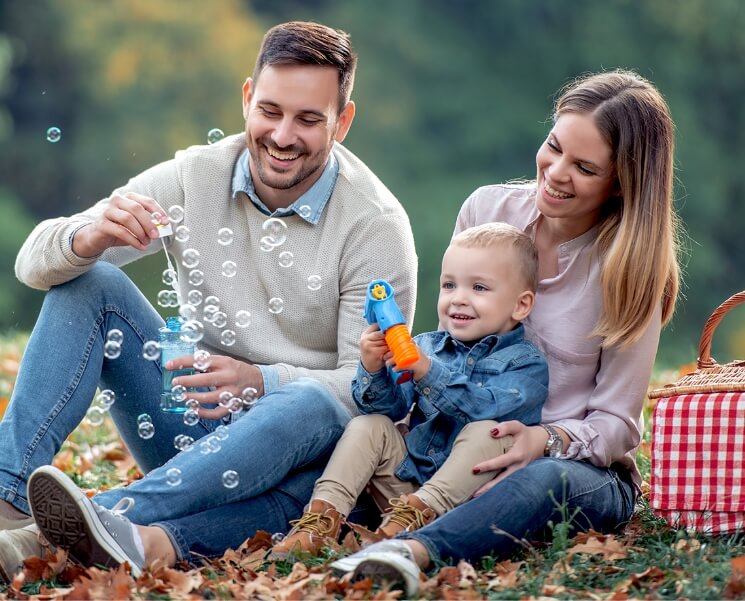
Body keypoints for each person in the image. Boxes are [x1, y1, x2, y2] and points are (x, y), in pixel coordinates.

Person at [0, 21, 417, 582]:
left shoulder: (376, 227)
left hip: (300, 465)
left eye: (309, 119)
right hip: (190, 432)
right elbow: (32, 265)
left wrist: (264, 381)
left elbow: (373, 393)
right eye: (270, 110)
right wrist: (90, 234)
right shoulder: (195, 176)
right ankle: (8, 497)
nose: (283, 134)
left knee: (313, 404)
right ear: (247, 97)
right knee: (89, 282)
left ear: (343, 121)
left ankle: (90, 524)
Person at [330, 68, 681, 597]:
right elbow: (453, 339)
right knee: (357, 435)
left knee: (537, 481)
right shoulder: (486, 211)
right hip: (460, 444)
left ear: (622, 183)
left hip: (574, 466)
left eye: (585, 167)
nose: (556, 173)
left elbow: (618, 426)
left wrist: (545, 439)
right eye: (554, 147)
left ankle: (407, 551)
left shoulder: (630, 271)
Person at [270, 223, 549, 558]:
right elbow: (387, 409)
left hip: (472, 502)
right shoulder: (426, 347)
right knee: (368, 426)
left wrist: (429, 373)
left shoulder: (525, 363)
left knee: (487, 432)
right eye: (449, 285)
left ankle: (410, 524)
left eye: (478, 287)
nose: (458, 298)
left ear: (520, 305)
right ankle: (319, 521)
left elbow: (485, 409)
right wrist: (374, 369)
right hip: (405, 493)